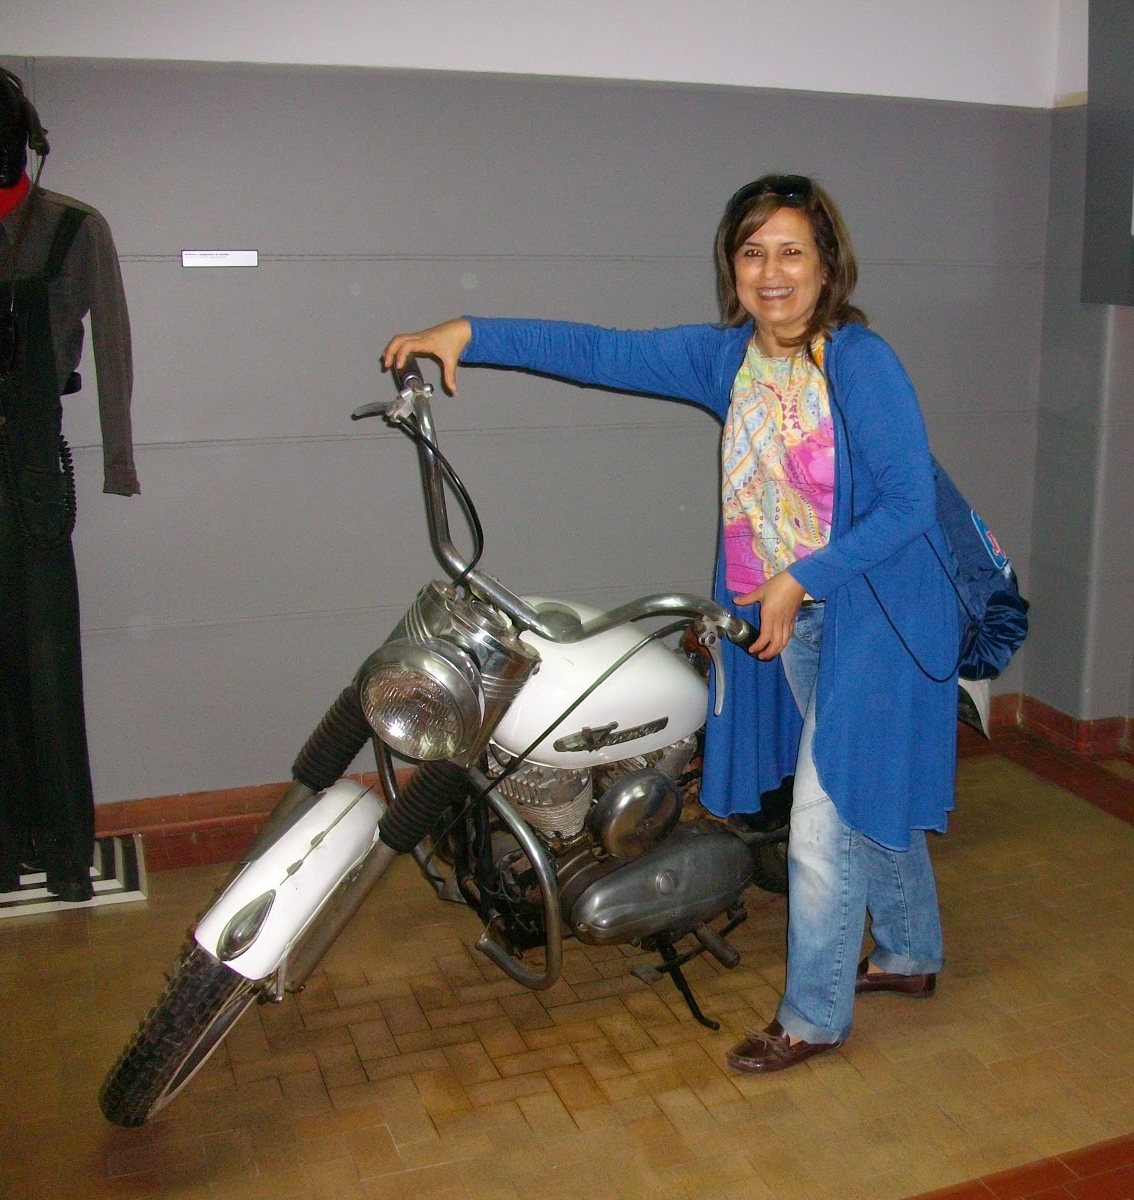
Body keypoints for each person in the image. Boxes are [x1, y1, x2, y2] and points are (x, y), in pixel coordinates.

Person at [383, 174, 959, 1072]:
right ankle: (911, 952)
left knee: (824, 819)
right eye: (752, 252)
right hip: (798, 621)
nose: (772, 272)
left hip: (879, 617)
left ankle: (812, 1017)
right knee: (858, 787)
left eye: (792, 251)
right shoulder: (726, 359)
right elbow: (599, 351)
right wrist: (470, 333)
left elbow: (910, 503)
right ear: (732, 268)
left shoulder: (859, 362)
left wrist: (801, 578)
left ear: (827, 265)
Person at [0, 62, 136, 908]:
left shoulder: (72, 228)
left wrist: (119, 460)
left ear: (26, 137)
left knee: (46, 664)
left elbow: (111, 346)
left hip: (31, 468)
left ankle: (66, 852)